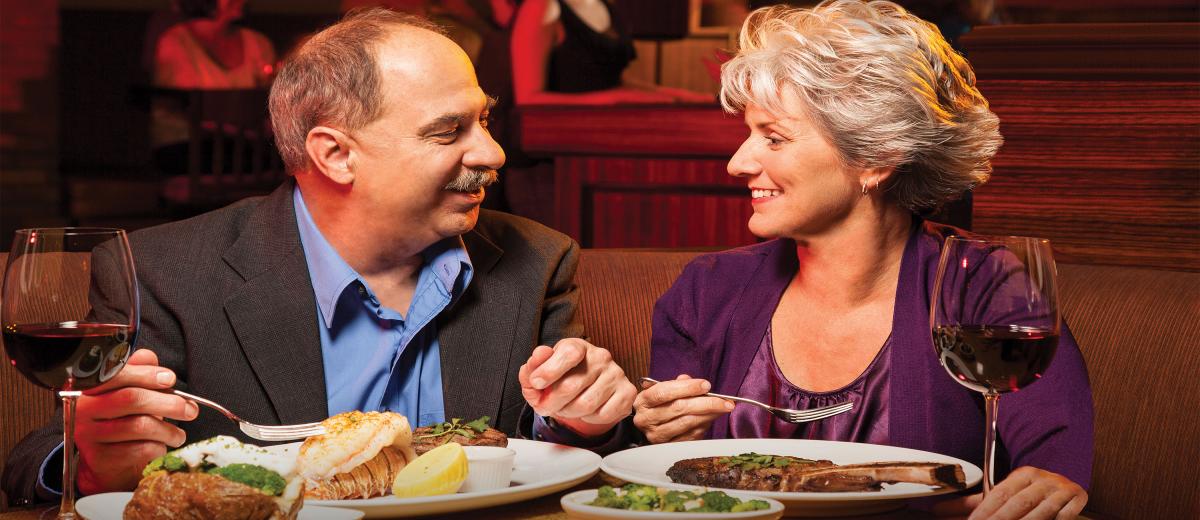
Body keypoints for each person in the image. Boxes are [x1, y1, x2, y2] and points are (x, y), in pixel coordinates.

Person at [2, 7, 635, 503]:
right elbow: (33, 460)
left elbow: (557, 445)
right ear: (335, 154)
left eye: (485, 121)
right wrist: (89, 460)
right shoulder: (163, 272)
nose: (493, 154)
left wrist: (581, 422)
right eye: (449, 130)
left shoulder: (537, 261)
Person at [631, 2, 1091, 518]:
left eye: (773, 137)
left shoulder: (981, 284)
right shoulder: (706, 291)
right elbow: (669, 483)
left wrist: (1047, 486)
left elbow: (1052, 470)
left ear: (875, 157)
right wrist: (660, 433)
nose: (738, 162)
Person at [149, 0, 278, 176]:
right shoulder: (175, 42)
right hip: (188, 144)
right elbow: (189, 107)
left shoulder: (258, 43)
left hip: (246, 145)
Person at [510, 0, 714, 105]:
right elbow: (528, 98)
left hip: (606, 133)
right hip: (554, 152)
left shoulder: (605, 6)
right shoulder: (539, 7)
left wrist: (679, 95)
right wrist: (615, 100)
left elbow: (612, 82)